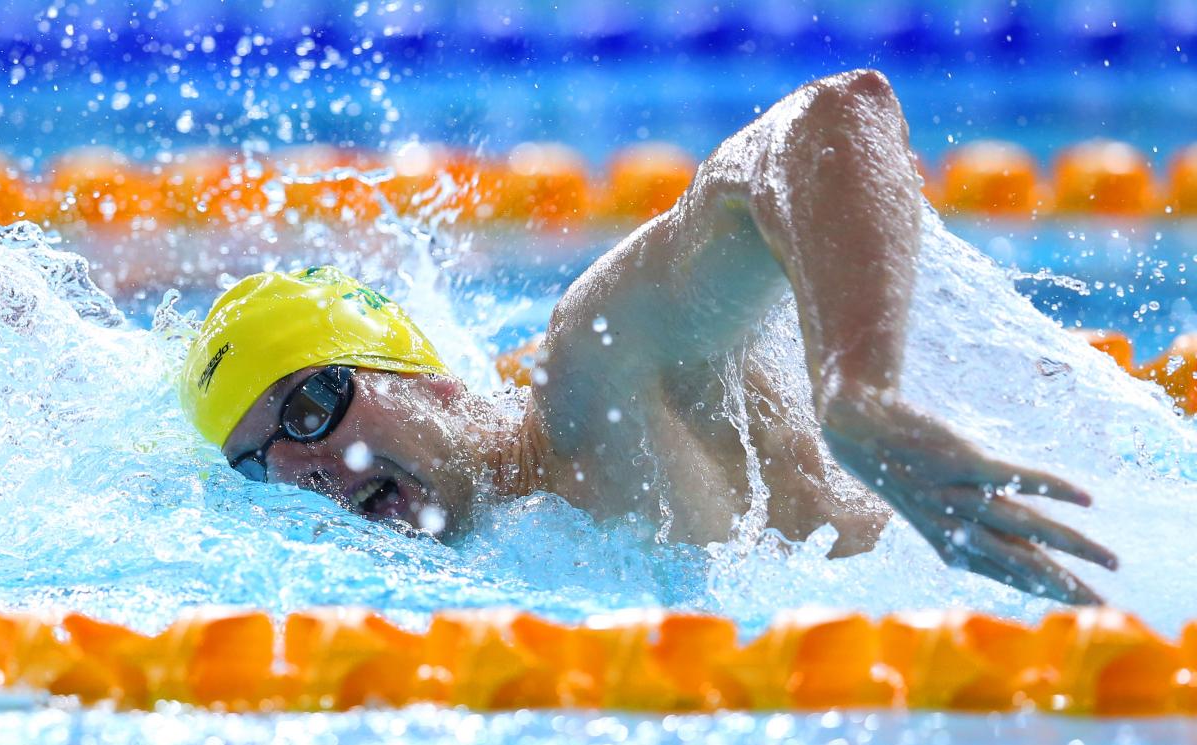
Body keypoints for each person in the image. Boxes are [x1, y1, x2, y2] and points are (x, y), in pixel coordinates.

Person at [179, 69, 1117, 604]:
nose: (308, 472)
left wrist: (859, 391)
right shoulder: (501, 557)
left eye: (311, 406)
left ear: (416, 374)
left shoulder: (598, 372)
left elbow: (833, 116)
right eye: (258, 464)